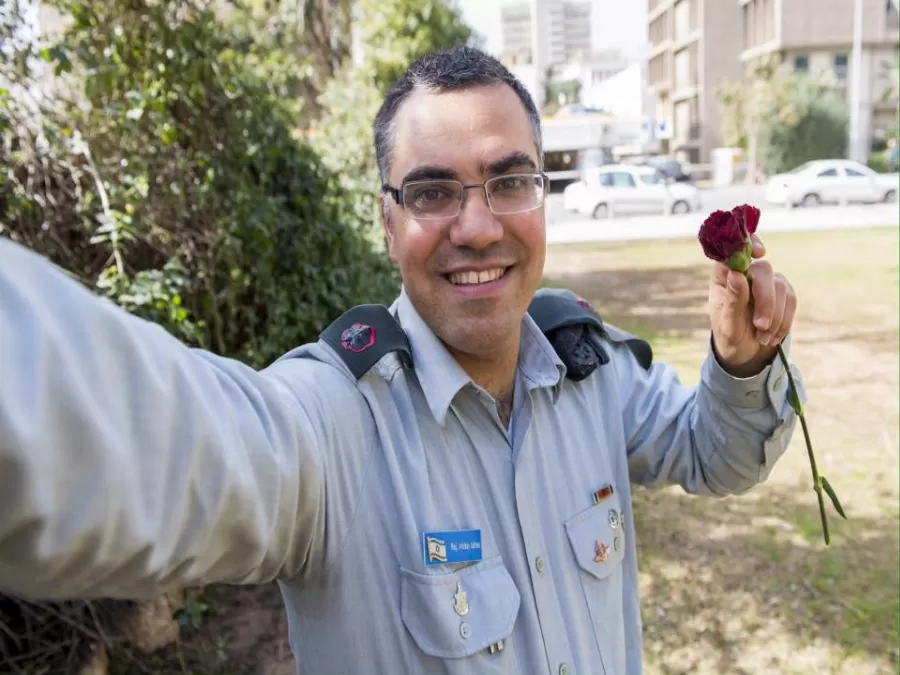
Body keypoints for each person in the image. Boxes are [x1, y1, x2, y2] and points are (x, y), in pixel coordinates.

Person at [0, 46, 803, 675]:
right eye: (431, 192)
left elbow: (719, 453)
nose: (478, 227)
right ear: (387, 224)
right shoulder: (332, 424)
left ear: (541, 196)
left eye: (509, 181)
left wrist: (740, 364)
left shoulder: (590, 369)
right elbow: (162, 446)